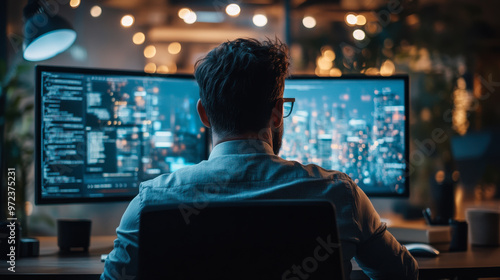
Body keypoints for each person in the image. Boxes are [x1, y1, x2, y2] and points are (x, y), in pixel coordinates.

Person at [101, 38, 418, 280]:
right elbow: (403, 274)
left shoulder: (153, 202)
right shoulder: (339, 194)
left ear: (204, 114)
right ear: (278, 112)